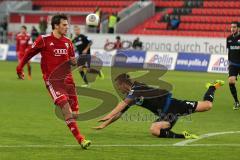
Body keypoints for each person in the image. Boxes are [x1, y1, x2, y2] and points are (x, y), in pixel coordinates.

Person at [16, 14, 91, 149]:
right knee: (66, 109)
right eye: (64, 25)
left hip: (68, 82)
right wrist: (19, 67)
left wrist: (79, 61)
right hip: (53, 81)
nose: (67, 27)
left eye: (67, 25)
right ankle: (81, 139)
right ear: (56, 26)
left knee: (75, 114)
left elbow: (72, 61)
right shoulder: (44, 40)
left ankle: (75, 129)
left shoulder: (68, 42)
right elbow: (29, 53)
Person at [94, 73, 224, 139]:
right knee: (154, 130)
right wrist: (104, 124)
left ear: (123, 84)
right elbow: (120, 112)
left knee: (208, 105)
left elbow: (121, 105)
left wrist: (107, 115)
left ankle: (213, 86)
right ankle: (184, 135)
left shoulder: (137, 88)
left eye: (118, 86)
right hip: (166, 114)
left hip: (174, 105)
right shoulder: (131, 96)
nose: (118, 89)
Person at [227, 21, 240, 110]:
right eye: (231, 27)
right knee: (231, 81)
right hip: (233, 64)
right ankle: (236, 101)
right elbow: (229, 51)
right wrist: (229, 62)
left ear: (238, 28)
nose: (232, 29)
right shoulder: (229, 38)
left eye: (234, 27)